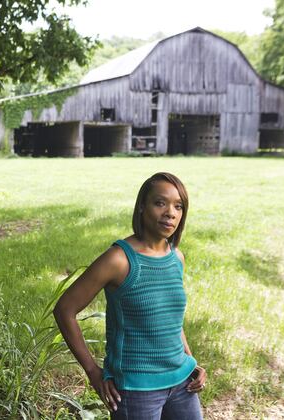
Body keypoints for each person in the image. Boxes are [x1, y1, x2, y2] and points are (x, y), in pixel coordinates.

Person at [53, 172, 207, 419]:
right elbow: (64, 310)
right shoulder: (119, 260)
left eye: (178, 206)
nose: (171, 212)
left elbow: (170, 319)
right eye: (160, 203)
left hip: (182, 383)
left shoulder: (176, 257)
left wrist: (189, 360)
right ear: (142, 208)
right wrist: (93, 372)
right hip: (136, 390)